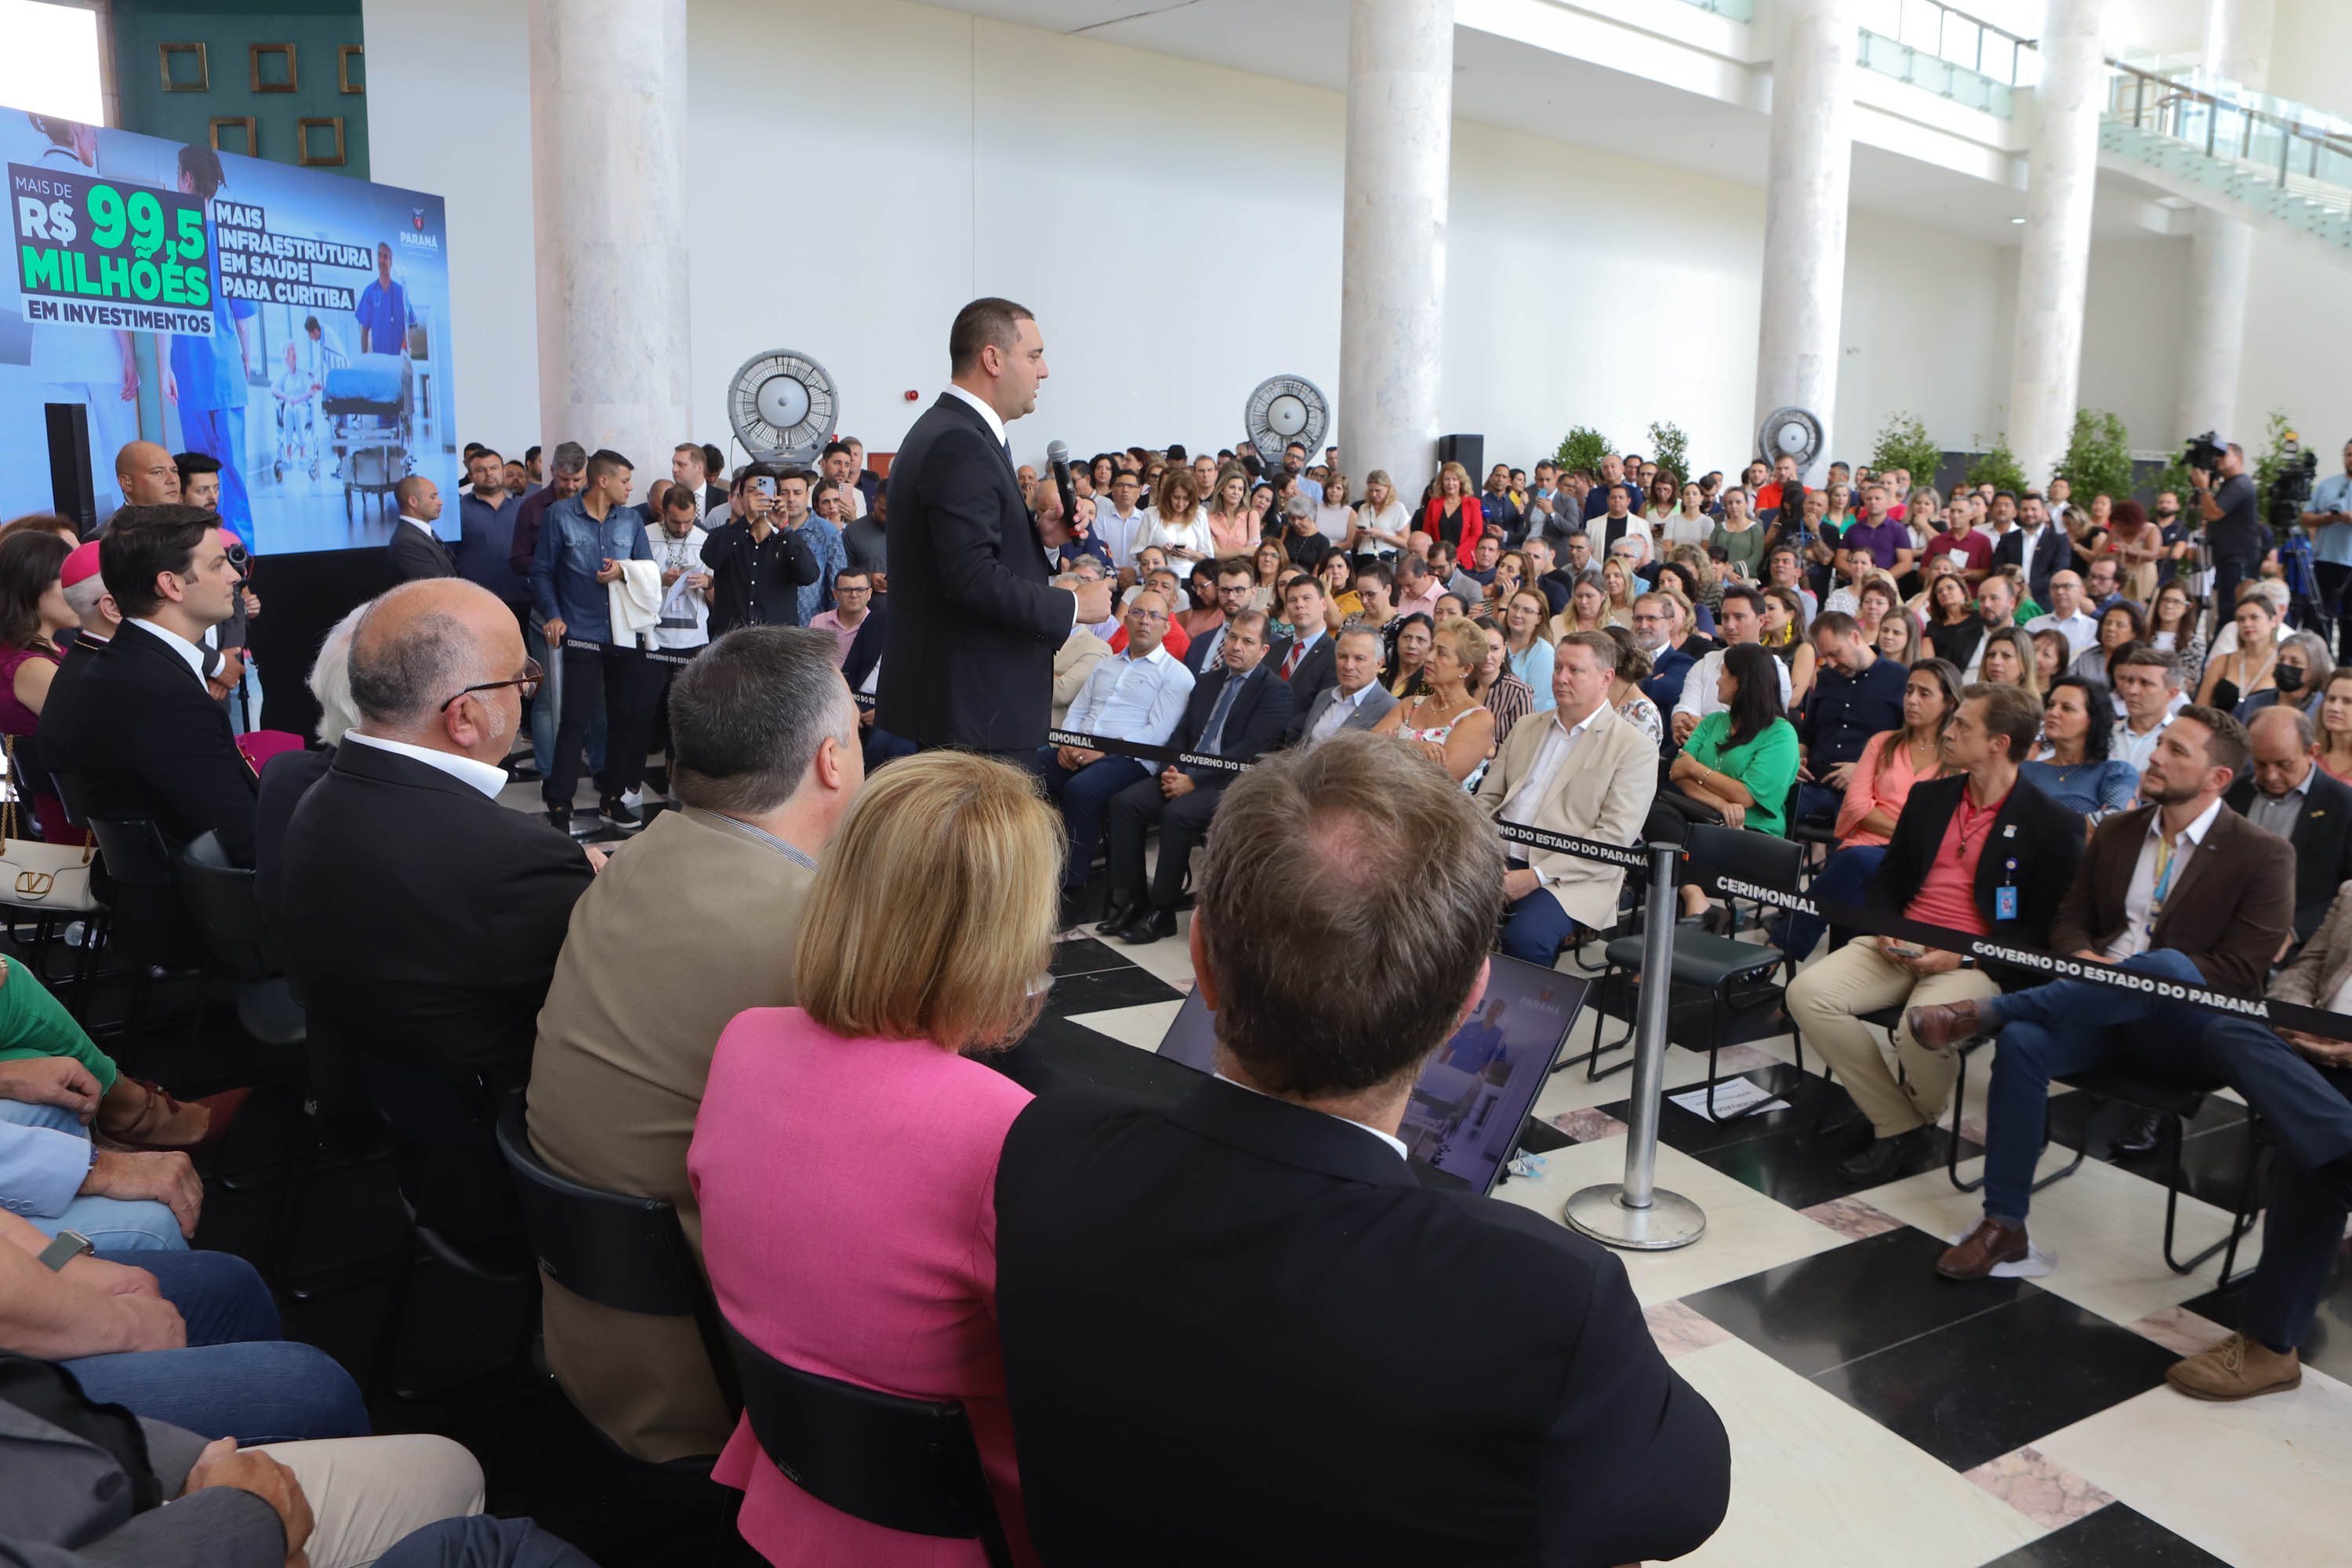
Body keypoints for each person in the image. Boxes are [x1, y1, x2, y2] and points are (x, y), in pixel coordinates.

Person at [993, 731, 1729, 1563]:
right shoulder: (1541, 1296)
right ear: (1468, 1003)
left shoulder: (1049, 1148)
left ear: (1202, 959)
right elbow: (1688, 1499)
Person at [691, 753, 1052, 1567]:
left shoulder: (745, 1039)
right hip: (955, 1527)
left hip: (784, 1478)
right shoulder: (1002, 1127)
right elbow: (1067, 1373)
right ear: (1011, 929)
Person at [527, 628, 860, 1465]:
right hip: (721, 1378)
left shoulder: (634, 860)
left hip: (585, 1320)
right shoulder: (817, 932)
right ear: (831, 760)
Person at [1909, 706, 2295, 1279]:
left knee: (2161, 965)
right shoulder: (2118, 831)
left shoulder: (2262, 854)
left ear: (2218, 779)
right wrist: (2085, 960)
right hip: (2090, 1009)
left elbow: (2240, 973)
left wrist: (2134, 977)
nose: (2156, 756)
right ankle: (2005, 1225)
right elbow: (2068, 921)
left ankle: (1980, 1012)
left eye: (2176, 752)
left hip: (2183, 1033)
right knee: (2022, 1041)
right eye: (2161, 743)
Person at [280, 580, 597, 1249]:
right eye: (523, 677)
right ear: (464, 717)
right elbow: (611, 1023)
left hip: (405, 1144)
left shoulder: (314, 799)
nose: (528, 690)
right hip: (516, 1180)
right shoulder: (517, 859)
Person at [879, 299, 1111, 757]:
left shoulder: (955, 431)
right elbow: (968, 576)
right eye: (1034, 355)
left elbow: (958, 556)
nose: (1043, 370)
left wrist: (1040, 539)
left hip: (967, 705)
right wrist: (1071, 604)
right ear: (992, 359)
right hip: (972, 713)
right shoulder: (958, 441)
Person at [2165, 879, 2352, 1399]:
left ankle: (2271, 1348)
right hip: (2312, 1060)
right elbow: (2303, 970)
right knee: (2227, 1032)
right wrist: (2300, 1026)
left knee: (2310, 1159)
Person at [38, 505, 256, 865]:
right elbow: (240, 836)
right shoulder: (161, 694)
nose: (235, 577)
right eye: (217, 565)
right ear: (170, 584)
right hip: (195, 909)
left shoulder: (126, 663)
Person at [1101, 612, 1294, 946]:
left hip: (1230, 782)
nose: (1236, 646)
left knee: (1177, 814)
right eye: (1232, 637)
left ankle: (1161, 912)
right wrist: (1171, 770)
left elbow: (1248, 750)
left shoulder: (1275, 692)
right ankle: (1132, 900)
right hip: (1183, 773)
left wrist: (1196, 780)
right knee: (1124, 804)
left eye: (1247, 641)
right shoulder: (1207, 681)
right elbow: (1181, 733)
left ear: (1263, 651)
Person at [1474, 631, 1658, 963]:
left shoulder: (1633, 748)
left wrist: (1534, 877)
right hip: (1497, 856)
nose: (1561, 678)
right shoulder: (1528, 726)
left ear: (1606, 678)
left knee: (1527, 937)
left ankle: (1523, 1015)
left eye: (1575, 670)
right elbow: (1487, 800)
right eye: (1558, 668)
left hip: (1571, 875)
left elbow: (1611, 839)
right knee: (1427, 912)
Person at [1043, 590, 1192, 927]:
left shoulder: (1176, 675)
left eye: (1154, 616)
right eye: (1138, 612)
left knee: (1083, 790)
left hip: (1132, 758)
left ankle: (1071, 885)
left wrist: (1105, 749)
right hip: (1081, 747)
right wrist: (1068, 742)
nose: (1144, 620)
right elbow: (1079, 709)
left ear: (1167, 627)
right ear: (1125, 619)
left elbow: (1157, 733)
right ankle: (1028, 866)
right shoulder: (1106, 665)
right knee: (1030, 769)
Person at [532, 447, 659, 830]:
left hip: (625, 634)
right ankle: (559, 801)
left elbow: (648, 568)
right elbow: (540, 573)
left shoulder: (631, 520)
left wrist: (623, 570)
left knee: (624, 717)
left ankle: (613, 797)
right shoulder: (559, 516)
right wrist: (554, 616)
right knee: (574, 719)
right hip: (581, 634)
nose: (630, 487)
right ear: (603, 480)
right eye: (625, 480)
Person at [2224, 705, 2352, 946]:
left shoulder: (2344, 806)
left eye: (2284, 765)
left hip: (2298, 946)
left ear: (2312, 752)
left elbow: (2348, 894)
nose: (2271, 776)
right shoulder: (2233, 794)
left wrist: (2296, 930)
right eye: (2261, 764)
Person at [1795, 611, 1907, 827]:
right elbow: (1808, 731)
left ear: (1856, 637)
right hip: (1814, 783)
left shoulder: (1900, 679)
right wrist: (1798, 758)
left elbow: (1906, 745)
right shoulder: (1827, 677)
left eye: (1836, 654)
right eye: (1825, 656)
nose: (1832, 663)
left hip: (1867, 789)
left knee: (1852, 825)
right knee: (1770, 808)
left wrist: (1865, 770)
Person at [1371, 616, 1494, 786]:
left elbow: (1441, 780)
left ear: (1465, 669)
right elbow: (1369, 748)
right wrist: (1412, 747)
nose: (1429, 657)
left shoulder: (1477, 719)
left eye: (1441, 653)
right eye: (1431, 649)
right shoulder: (1410, 705)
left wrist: (1391, 744)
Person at [1669, 586, 1791, 745]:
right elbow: (1684, 711)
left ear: (1761, 621)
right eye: (1725, 618)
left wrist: (1707, 727)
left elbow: (1766, 725)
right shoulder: (1705, 663)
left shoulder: (1776, 669)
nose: (1729, 625)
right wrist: (1681, 725)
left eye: (1739, 617)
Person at [2023, 675, 2138, 819]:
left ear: (2093, 720)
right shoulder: (2023, 771)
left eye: (2067, 708)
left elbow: (2114, 824)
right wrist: (2089, 820)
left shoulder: (2116, 773)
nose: (2053, 713)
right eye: (2051, 705)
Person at [1287, 626, 1398, 746]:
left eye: (1359, 659)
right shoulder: (1324, 696)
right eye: (1343, 657)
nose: (1348, 666)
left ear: (1379, 664)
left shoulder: (1390, 708)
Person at [456, 447, 532, 620]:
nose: (489, 473)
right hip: (475, 601)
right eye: (481, 470)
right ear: (471, 476)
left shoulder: (525, 507)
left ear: (503, 471)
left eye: (494, 468)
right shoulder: (458, 510)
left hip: (521, 597)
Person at [2190, 440, 2263, 620]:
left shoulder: (2241, 484)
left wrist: (2203, 488)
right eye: (2217, 455)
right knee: (2225, 610)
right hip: (2227, 558)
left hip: (2238, 559)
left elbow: (2214, 513)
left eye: (2224, 454)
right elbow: (2205, 509)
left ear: (2238, 457)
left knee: (2231, 611)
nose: (2219, 459)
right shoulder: (2229, 483)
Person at [2197, 589, 2280, 713]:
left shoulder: (2281, 663)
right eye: (2241, 619)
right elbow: (2200, 708)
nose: (2247, 624)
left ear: (2273, 621)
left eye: (2254, 617)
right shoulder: (2222, 662)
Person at [1994, 492, 2068, 608]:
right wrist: (2015, 589)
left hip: (2045, 602)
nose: (2029, 513)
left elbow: (2058, 572)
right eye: (2025, 510)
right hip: (2011, 602)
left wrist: (2027, 589)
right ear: (2019, 512)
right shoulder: (2007, 539)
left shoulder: (2059, 541)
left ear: (2044, 511)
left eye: (2034, 509)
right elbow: (1998, 569)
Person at [385, 475, 456, 581]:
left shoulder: (422, 534)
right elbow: (434, 587)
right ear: (413, 502)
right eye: (433, 497)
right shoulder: (407, 542)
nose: (440, 502)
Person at [1420, 461, 1485, 570]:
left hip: (1463, 561)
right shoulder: (1434, 503)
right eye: (1447, 479)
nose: (1451, 483)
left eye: (1455, 479)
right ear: (1441, 482)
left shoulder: (1473, 503)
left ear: (1461, 482)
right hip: (1437, 562)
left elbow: (1476, 535)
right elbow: (1427, 533)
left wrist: (1453, 557)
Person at [2025, 569, 2097, 657]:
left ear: (2082, 592)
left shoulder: (2093, 627)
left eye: (2066, 586)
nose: (2060, 592)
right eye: (2055, 587)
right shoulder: (2033, 625)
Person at [2147, 579, 2206, 687]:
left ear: (2186, 608)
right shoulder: (2145, 636)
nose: (2169, 606)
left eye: (2176, 602)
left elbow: (2190, 682)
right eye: (2165, 600)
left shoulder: (2194, 644)